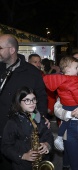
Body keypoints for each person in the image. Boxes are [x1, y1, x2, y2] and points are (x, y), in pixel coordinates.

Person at [0, 34, 48, 169]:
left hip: (21, 134)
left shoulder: (32, 72)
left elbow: (42, 97)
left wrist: (40, 118)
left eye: (0, 48)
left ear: (11, 50)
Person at [43, 56, 78, 151]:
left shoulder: (61, 79)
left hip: (65, 105)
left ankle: (59, 137)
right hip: (73, 104)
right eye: (76, 67)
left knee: (65, 122)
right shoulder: (73, 80)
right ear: (68, 69)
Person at [1, 86, 54, 170]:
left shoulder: (38, 117)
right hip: (22, 165)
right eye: (27, 100)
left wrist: (47, 145)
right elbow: (5, 146)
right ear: (19, 102)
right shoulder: (13, 123)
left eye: (34, 99)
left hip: (41, 162)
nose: (32, 103)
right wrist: (23, 156)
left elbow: (49, 136)